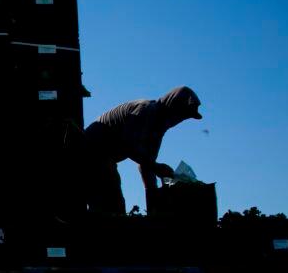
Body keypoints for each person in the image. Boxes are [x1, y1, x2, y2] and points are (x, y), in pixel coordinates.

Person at [83, 86, 203, 215]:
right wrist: (156, 167)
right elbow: (129, 145)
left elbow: (146, 164)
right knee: (111, 207)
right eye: (182, 114)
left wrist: (153, 201)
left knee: (113, 207)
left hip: (104, 160)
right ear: (174, 106)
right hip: (89, 154)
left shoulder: (159, 128)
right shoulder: (145, 110)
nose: (180, 120)